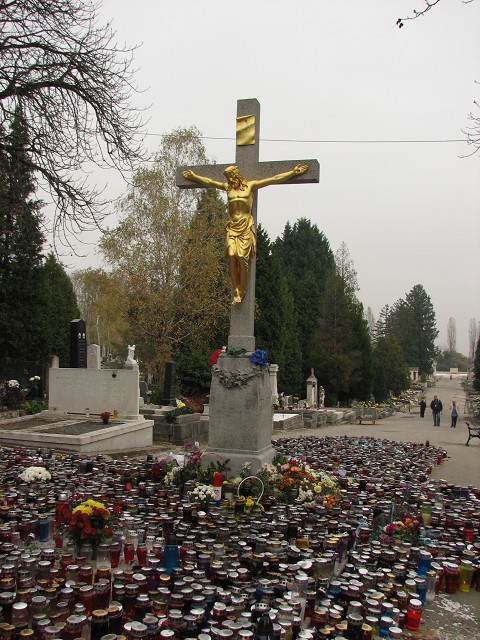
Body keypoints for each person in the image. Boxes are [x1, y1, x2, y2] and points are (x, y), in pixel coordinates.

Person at [182, 163, 308, 304]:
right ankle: (236, 288)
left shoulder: (250, 186)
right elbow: (210, 182)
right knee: (231, 256)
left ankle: (242, 289)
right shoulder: (227, 188)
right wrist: (194, 176)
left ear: (237, 175)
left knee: (242, 257)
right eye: (228, 178)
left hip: (245, 226)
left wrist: (293, 172)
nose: (230, 180)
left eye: (231, 177)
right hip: (232, 227)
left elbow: (274, 179)